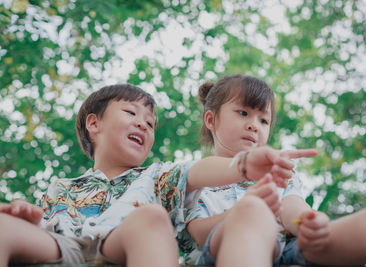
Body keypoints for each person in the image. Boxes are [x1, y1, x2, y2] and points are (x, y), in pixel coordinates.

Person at [0, 83, 310, 267]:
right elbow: (41, 220)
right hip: (62, 247)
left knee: (151, 218)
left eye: (150, 124)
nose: (143, 125)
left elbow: (196, 171)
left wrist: (241, 165)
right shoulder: (61, 187)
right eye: (132, 114)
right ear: (94, 124)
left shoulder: (157, 176)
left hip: (117, 245)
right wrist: (22, 213)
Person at [182, 74, 366, 267]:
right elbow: (200, 234)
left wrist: (308, 221)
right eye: (243, 113)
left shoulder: (277, 172)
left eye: (264, 120)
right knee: (252, 213)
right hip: (226, 251)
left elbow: (291, 205)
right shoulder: (197, 177)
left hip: (289, 249)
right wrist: (242, 213)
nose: (254, 125)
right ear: (210, 120)